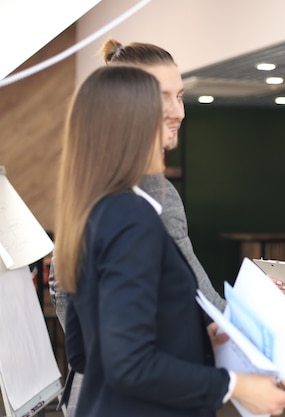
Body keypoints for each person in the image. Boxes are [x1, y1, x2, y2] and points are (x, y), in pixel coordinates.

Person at [54, 64, 285, 417]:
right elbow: (130, 364)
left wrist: (200, 342)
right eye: (160, 103)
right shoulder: (131, 218)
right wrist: (236, 384)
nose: (174, 113)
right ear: (131, 121)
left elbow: (82, 350)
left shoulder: (93, 212)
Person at [48, 38, 226, 416]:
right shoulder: (140, 206)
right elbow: (200, 299)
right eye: (161, 96)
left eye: (180, 96)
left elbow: (74, 322)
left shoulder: (88, 193)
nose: (178, 111)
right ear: (126, 105)